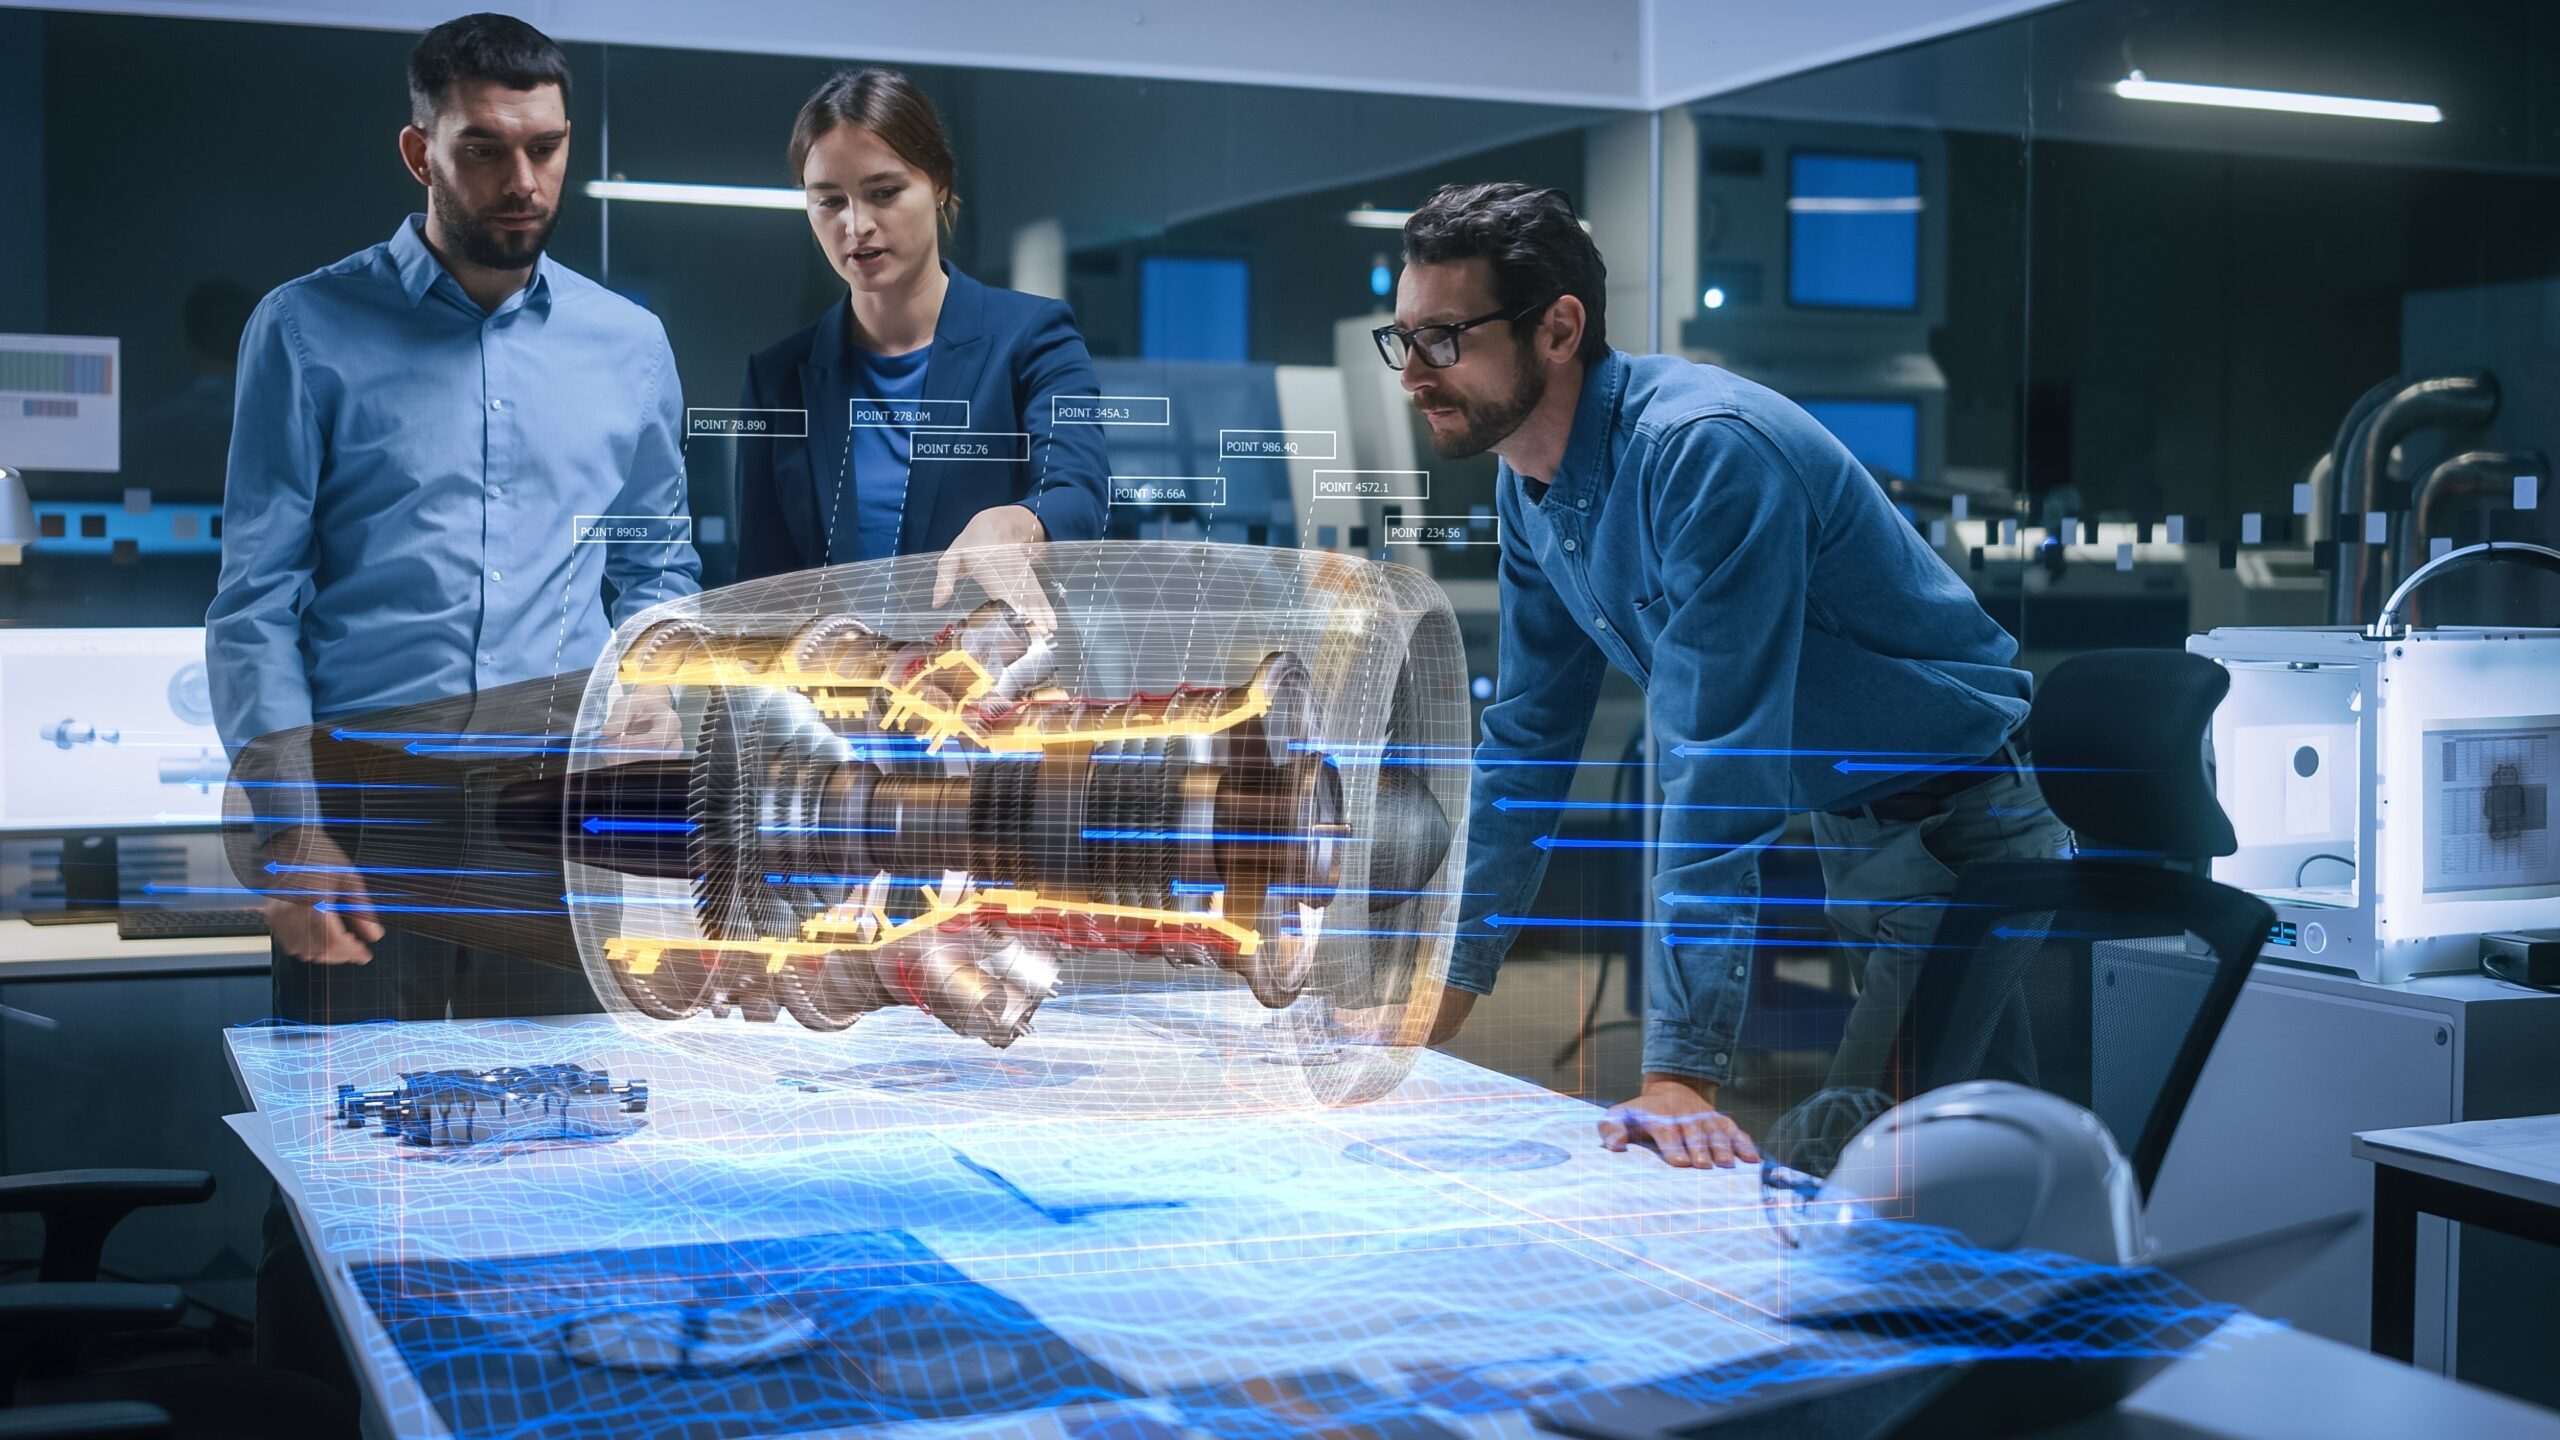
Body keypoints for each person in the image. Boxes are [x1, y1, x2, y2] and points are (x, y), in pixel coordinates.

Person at [204, 12, 699, 1384]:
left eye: (546, 150)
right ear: (423, 149)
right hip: (372, 814)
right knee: (353, 1174)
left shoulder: (628, 344)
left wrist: (653, 688)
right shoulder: (305, 330)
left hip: (559, 816)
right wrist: (293, 831)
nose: (523, 183)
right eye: (488, 152)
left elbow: (657, 568)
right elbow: (256, 601)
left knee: (564, 1158)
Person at [1391, 183, 2066, 1169]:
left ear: (1559, 329)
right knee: (1999, 1172)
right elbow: (1527, 747)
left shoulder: (1703, 453)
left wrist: (1681, 1072)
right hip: (1863, 836)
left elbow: (1718, 762)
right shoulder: (1529, 484)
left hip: (1963, 835)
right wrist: (1440, 995)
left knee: (1849, 1164)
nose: (1413, 373)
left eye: (1443, 337)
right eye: (1401, 337)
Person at [735, 67, 1109, 624]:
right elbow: (763, 593)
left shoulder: (1032, 336)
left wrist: (1019, 522)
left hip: (998, 693)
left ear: (938, 183)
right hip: (832, 703)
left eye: (883, 193)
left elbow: (1077, 488)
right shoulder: (778, 378)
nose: (855, 225)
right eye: (829, 201)